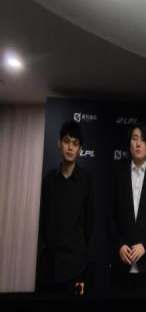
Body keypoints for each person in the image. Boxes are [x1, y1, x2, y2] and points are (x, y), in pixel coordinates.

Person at [36, 120, 94, 295]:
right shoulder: (48, 180)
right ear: (59, 143)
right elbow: (43, 221)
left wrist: (82, 255)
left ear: (80, 149)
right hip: (49, 265)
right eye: (67, 141)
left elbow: (90, 223)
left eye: (75, 144)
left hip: (76, 266)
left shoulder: (87, 181)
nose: (70, 147)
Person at [109, 122, 146, 292]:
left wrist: (145, 246)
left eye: (143, 140)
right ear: (129, 145)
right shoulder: (117, 176)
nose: (138, 143)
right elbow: (110, 217)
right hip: (121, 266)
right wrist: (120, 245)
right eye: (134, 138)